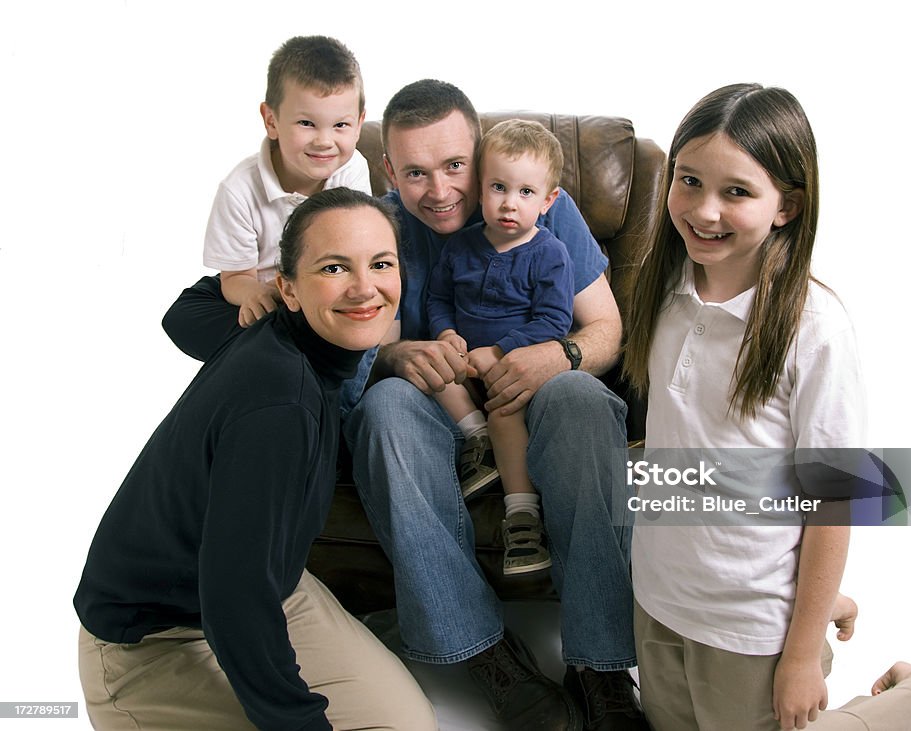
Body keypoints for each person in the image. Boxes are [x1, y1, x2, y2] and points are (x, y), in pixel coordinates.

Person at [622, 83, 911, 731]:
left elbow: (834, 501)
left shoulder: (815, 328)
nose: (704, 210)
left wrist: (800, 653)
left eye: (737, 191)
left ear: (787, 206)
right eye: (688, 180)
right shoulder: (662, 291)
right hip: (660, 600)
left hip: (751, 629)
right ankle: (824, 604)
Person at [343, 80, 647, 730]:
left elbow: (606, 329)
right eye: (416, 173)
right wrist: (399, 358)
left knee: (584, 398)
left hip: (538, 394)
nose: (441, 190)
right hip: (443, 409)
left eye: (456, 166)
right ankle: (487, 656)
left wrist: (557, 355)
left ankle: (601, 666)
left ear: (480, 156)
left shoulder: (531, 203)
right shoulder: (379, 227)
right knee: (384, 407)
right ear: (389, 171)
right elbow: (373, 347)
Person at [74, 188, 435, 731]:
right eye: (335, 267)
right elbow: (233, 600)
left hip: (272, 587)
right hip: (152, 642)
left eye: (381, 263)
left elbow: (193, 305)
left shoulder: (277, 330)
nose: (366, 288)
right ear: (287, 288)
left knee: (409, 724)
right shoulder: (278, 404)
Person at [426, 119, 574, 575]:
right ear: (479, 188)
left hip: (512, 365)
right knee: (432, 371)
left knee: (505, 410)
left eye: (526, 193)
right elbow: (439, 299)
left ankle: (522, 517)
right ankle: (477, 438)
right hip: (464, 359)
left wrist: (502, 350)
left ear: (548, 201)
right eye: (498, 188)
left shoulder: (550, 254)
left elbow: (555, 320)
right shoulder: (460, 246)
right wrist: (446, 334)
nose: (510, 203)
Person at [203, 35, 372, 327]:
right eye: (306, 124)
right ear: (271, 121)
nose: (324, 141)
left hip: (329, 291)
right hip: (272, 298)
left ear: (359, 124)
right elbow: (234, 278)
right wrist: (256, 293)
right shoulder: (239, 191)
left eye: (340, 125)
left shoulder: (353, 168)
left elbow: (355, 247)